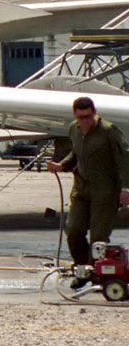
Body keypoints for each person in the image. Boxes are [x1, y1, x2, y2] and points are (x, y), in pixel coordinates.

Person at [45, 96, 129, 284]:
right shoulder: (73, 130)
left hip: (105, 191)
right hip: (82, 190)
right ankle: (82, 269)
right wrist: (60, 166)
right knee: (73, 229)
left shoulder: (108, 131)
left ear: (95, 113)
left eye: (88, 116)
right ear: (75, 115)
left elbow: (124, 159)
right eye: (81, 117)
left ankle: (96, 274)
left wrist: (125, 188)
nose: (85, 121)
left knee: (98, 236)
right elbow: (76, 154)